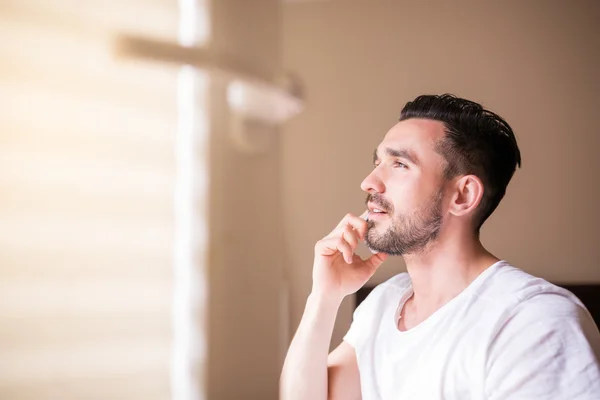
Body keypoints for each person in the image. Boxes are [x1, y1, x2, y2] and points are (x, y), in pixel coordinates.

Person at [279, 94, 600, 399]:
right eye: (378, 161)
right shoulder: (384, 305)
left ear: (462, 196)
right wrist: (324, 297)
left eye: (399, 164)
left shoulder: (534, 323)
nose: (369, 182)